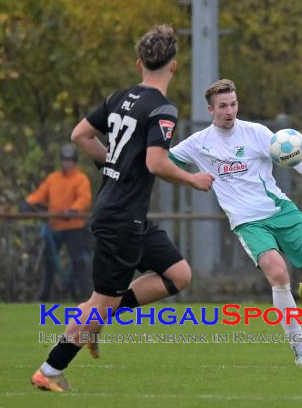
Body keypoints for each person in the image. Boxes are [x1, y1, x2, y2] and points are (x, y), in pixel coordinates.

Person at [31, 24, 214, 392]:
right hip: (121, 219)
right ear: (174, 67)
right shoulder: (162, 108)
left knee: (178, 275)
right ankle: (50, 369)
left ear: (139, 63)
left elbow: (79, 135)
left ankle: (95, 319)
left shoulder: (119, 97)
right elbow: (156, 163)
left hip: (125, 216)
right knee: (102, 300)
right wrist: (194, 180)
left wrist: (110, 162)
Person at [168, 79, 302, 368]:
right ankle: (301, 351)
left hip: (280, 209)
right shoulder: (199, 143)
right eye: (222, 106)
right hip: (248, 222)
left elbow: (290, 154)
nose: (229, 111)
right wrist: (184, 176)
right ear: (211, 109)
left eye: (233, 104)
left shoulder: (256, 133)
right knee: (278, 272)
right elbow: (163, 160)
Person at [21, 144, 93, 302]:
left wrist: (74, 210)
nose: (67, 163)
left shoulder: (81, 179)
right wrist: (28, 202)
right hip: (55, 225)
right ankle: (44, 297)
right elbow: (40, 193)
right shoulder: (53, 178)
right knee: (49, 262)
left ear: (75, 162)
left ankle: (84, 297)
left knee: (78, 261)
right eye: (64, 160)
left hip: (74, 226)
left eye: (70, 160)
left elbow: (84, 199)